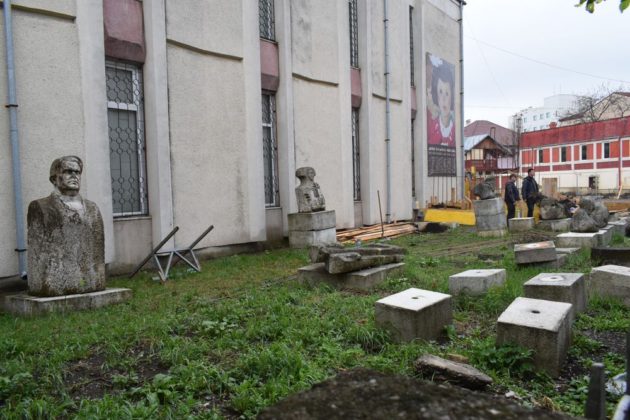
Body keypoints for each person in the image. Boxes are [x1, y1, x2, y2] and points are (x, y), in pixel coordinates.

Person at [27, 156, 105, 296]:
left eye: (77, 172)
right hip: (54, 284)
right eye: (68, 171)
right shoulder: (41, 207)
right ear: (54, 179)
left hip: (91, 279)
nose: (74, 176)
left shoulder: (92, 208)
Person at [427, 60, 455, 147]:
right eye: (440, 92)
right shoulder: (431, 127)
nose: (443, 99)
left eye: (447, 93)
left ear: (452, 97)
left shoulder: (455, 131)